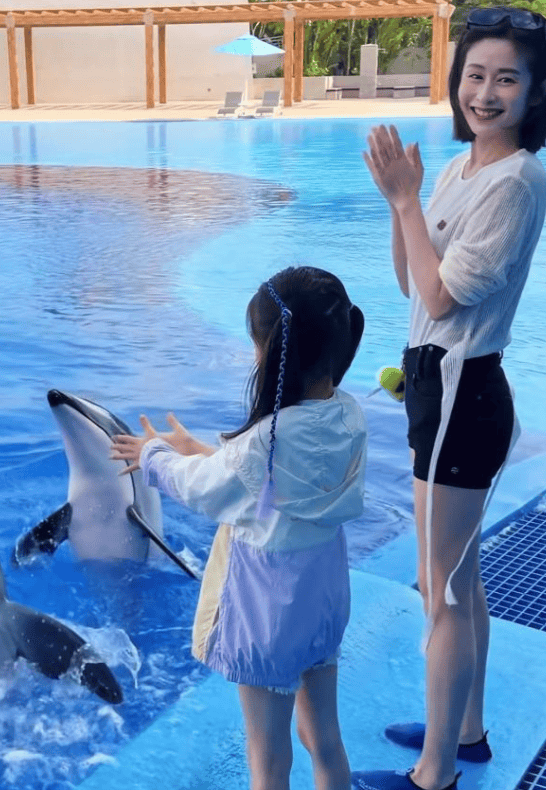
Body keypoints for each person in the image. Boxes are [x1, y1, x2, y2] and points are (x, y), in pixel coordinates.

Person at [352, 7, 546, 790]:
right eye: (475, 75)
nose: (486, 93)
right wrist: (399, 201)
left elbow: (439, 299)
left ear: (536, 91)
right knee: (456, 584)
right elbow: (412, 282)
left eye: (507, 79)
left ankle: (435, 773)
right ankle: (464, 731)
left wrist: (406, 202)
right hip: (438, 389)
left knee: (442, 593)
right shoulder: (465, 169)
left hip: (464, 399)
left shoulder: (516, 182)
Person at [111, 266, 367, 790]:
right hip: (322, 604)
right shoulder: (348, 417)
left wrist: (155, 455)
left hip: (268, 616)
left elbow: (207, 488)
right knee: (324, 737)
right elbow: (273, 485)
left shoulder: (263, 443)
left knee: (267, 761)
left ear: (274, 356)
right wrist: (201, 449)